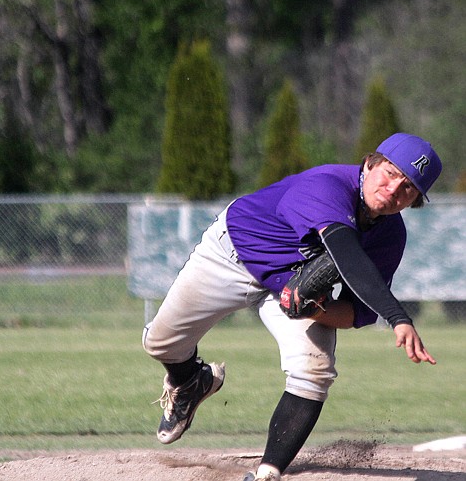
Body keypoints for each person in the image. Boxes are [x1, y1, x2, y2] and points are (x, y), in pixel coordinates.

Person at [142, 132, 442, 481]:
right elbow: (346, 252)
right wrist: (399, 318)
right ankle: (192, 381)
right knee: (159, 342)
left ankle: (269, 472)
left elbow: (359, 312)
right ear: (370, 163)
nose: (393, 190)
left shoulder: (390, 236)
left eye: (408, 188)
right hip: (232, 256)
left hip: (287, 290)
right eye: (390, 173)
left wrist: (316, 311)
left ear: (414, 201)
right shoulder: (327, 185)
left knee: (314, 371)